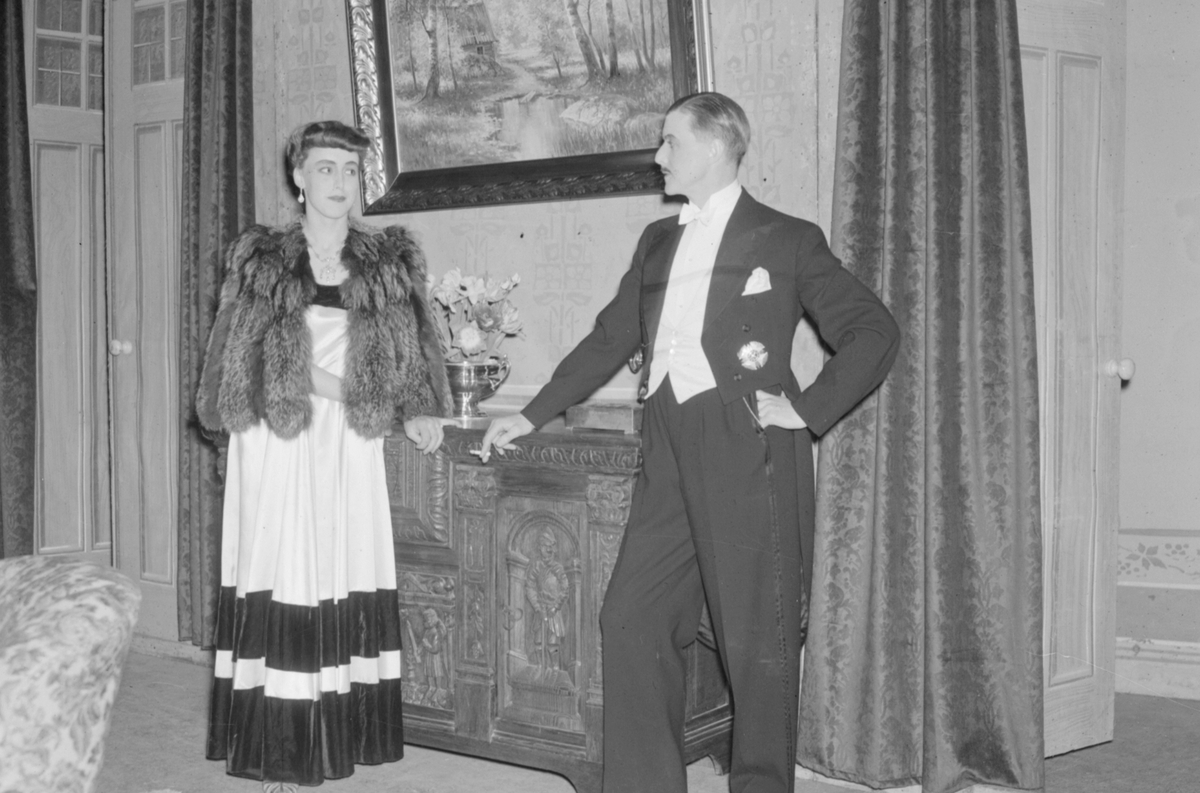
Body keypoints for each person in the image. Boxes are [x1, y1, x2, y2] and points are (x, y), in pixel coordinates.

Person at [480, 93, 900, 793]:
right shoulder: (658, 241)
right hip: (667, 442)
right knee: (631, 617)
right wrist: (530, 413)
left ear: (713, 146)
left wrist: (806, 410)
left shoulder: (786, 238)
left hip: (747, 448)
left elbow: (874, 330)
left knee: (755, 642)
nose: (658, 156)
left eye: (670, 142)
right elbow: (611, 337)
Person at [196, 120, 455, 792]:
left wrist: (422, 406)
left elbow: (418, 346)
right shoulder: (263, 257)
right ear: (299, 178)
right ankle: (281, 748)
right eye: (325, 168)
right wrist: (343, 389)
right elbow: (237, 351)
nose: (340, 182)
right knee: (286, 568)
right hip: (280, 438)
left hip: (348, 442)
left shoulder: (389, 260)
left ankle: (340, 733)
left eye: (349, 169)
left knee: (340, 565)